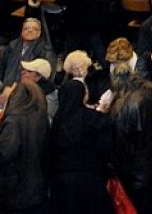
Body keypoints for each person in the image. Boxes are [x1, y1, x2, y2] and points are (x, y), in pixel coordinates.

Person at [50, 78, 111, 214]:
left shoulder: (57, 120)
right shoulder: (94, 118)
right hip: (89, 177)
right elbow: (104, 147)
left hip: (62, 180)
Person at [107, 67, 152, 214]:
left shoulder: (120, 108)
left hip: (134, 166)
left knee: (138, 204)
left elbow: (119, 145)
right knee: (150, 194)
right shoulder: (151, 90)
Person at [0, 80, 50, 214]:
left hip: (19, 185)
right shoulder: (40, 113)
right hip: (39, 181)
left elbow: (5, 153)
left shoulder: (14, 119)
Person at [0, 17, 55, 86]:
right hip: (5, 89)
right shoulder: (10, 47)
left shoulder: (46, 51)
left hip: (28, 92)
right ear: (22, 31)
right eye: (26, 28)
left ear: (39, 33)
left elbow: (46, 79)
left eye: (34, 29)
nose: (29, 30)